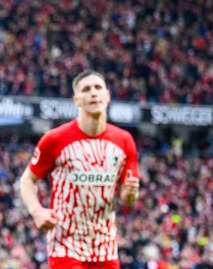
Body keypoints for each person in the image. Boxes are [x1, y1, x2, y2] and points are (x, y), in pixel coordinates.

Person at [19, 70, 140, 269]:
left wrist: (129, 195)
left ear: (107, 96)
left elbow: (128, 198)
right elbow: (27, 180)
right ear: (77, 100)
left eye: (98, 88)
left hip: (105, 246)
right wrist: (36, 211)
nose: (93, 93)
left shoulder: (124, 140)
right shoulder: (55, 139)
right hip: (65, 245)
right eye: (86, 89)